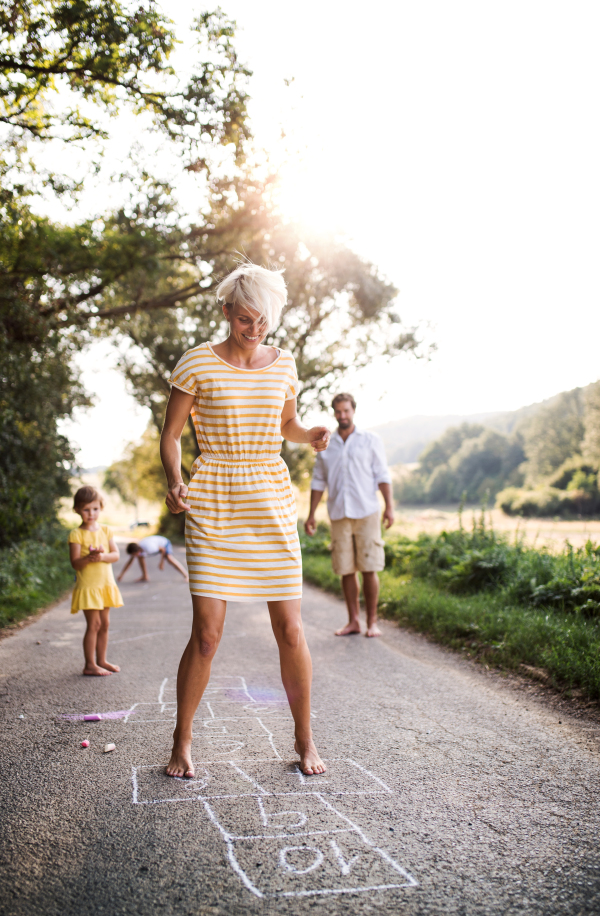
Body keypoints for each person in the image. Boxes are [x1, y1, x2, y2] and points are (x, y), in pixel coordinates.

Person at [160, 263, 331, 778]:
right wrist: (174, 481)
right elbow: (170, 436)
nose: (253, 330)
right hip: (213, 496)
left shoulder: (284, 366)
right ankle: (181, 740)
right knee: (207, 635)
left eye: (262, 321)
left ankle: (304, 740)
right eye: (243, 320)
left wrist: (310, 435)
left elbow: (286, 426)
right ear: (226, 312)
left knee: (291, 630)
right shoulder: (196, 364)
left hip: (270, 496)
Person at [304, 393, 394, 638]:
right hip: (339, 513)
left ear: (353, 411)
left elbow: (382, 475)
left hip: (367, 511)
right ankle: (353, 621)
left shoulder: (370, 440)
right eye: (338, 412)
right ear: (334, 413)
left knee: (369, 567)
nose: (342, 415)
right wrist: (311, 514)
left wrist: (389, 507)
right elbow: (318, 481)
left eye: (346, 411)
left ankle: (372, 622)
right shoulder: (325, 445)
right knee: (345, 569)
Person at [68, 486, 123, 676]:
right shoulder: (76, 534)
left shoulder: (106, 530)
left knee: (105, 624)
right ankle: (89, 664)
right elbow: (75, 563)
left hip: (105, 585)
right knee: (94, 625)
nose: (91, 513)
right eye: (86, 509)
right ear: (76, 510)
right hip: (88, 586)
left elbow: (115, 555)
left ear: (101, 508)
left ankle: (102, 660)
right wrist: (89, 558)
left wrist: (101, 557)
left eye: (95, 509)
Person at [117, 535, 189, 583]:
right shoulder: (138, 550)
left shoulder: (149, 548)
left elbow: (162, 549)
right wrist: (121, 575)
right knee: (140, 558)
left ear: (136, 551)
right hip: (157, 545)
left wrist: (161, 563)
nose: (134, 556)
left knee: (169, 559)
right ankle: (145, 576)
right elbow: (129, 562)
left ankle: (186, 575)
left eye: (133, 554)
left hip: (164, 543)